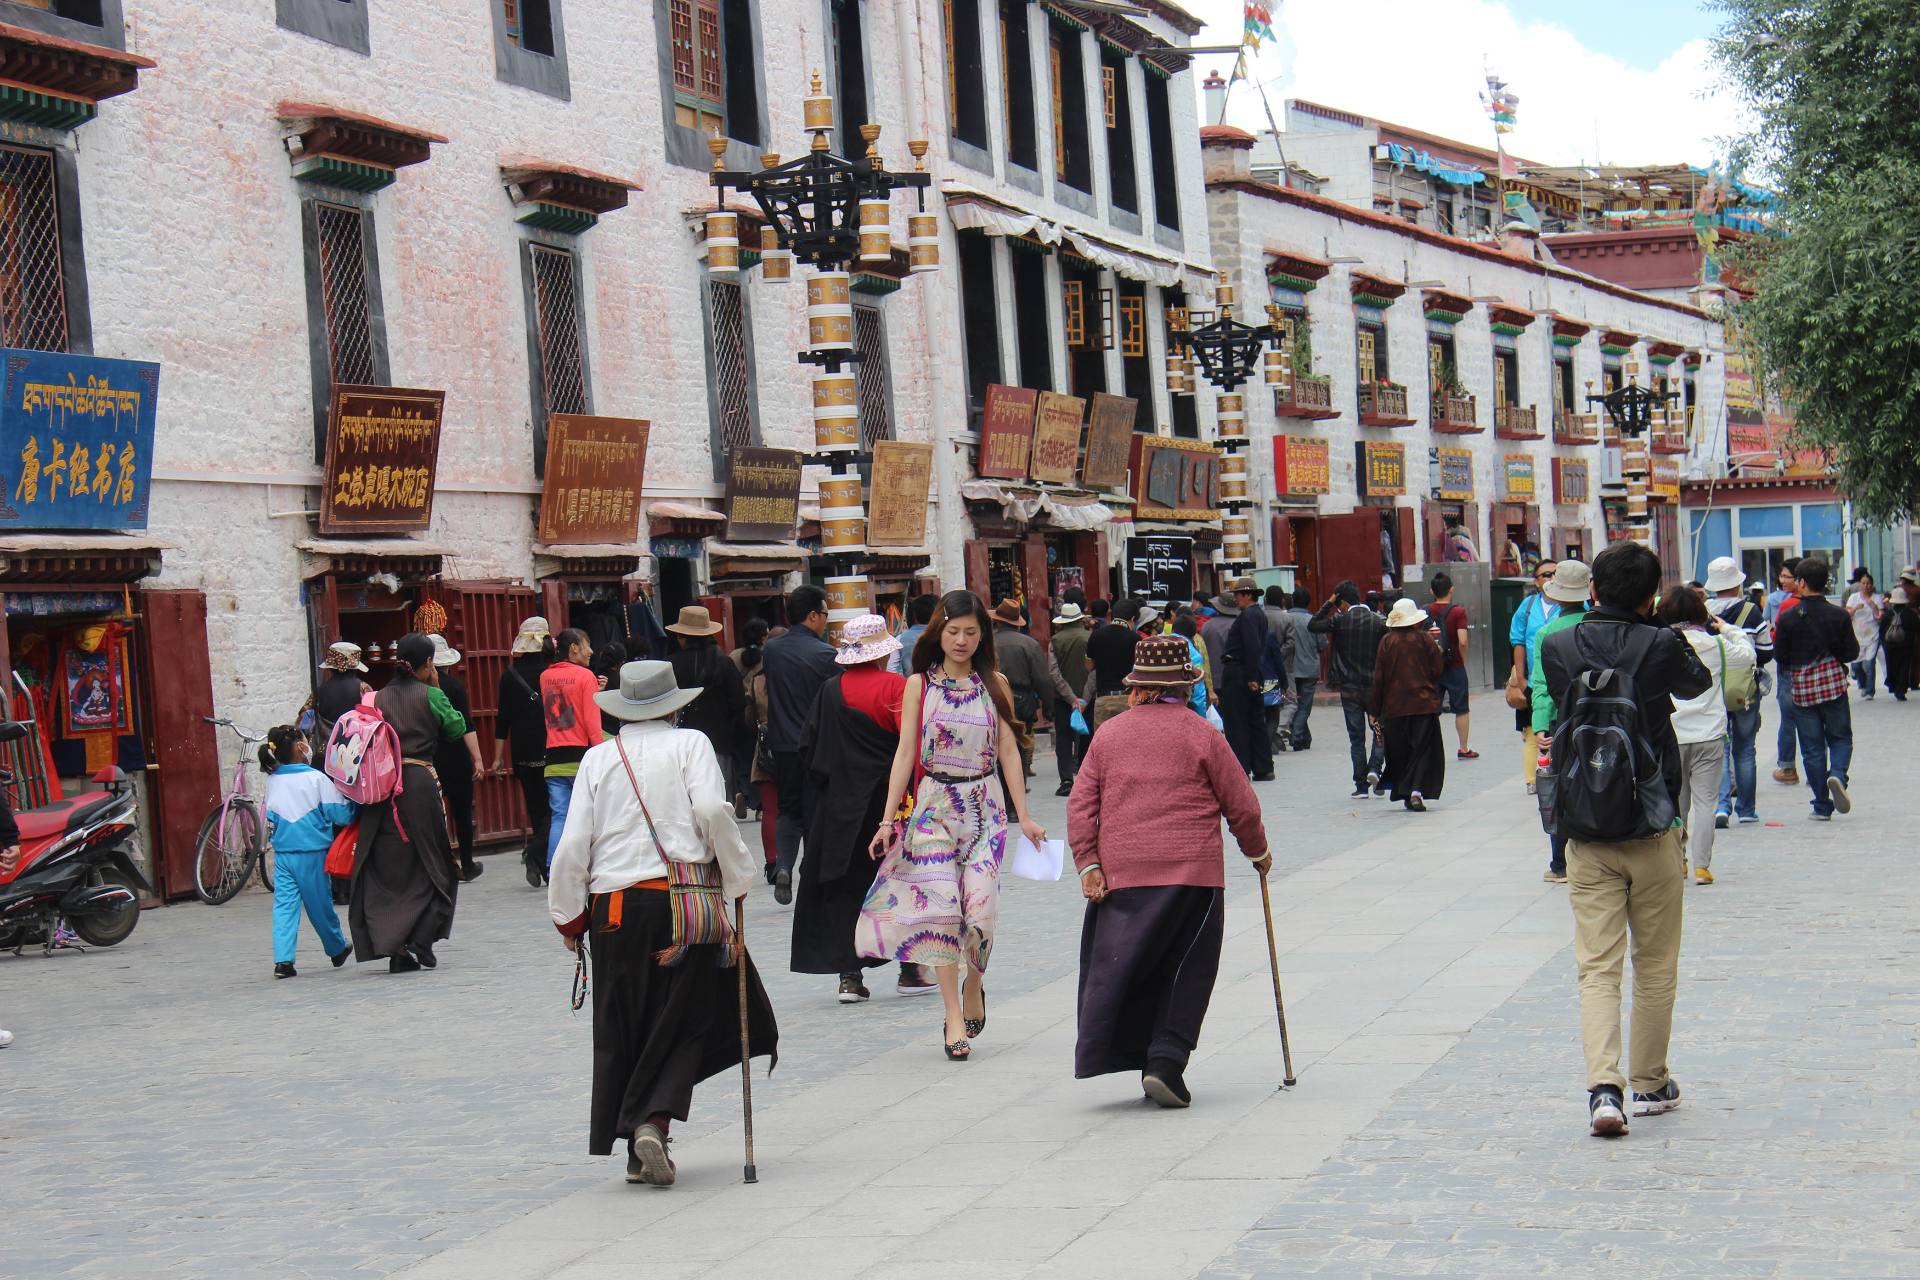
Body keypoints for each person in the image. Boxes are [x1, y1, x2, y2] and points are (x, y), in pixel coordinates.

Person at [546, 660, 777, 1187]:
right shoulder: (690, 744)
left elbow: (572, 844)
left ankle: (636, 1149)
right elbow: (714, 813)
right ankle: (652, 1122)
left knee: (622, 1025)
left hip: (613, 911)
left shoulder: (597, 759)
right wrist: (738, 877)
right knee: (682, 1018)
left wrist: (568, 916)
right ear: (674, 705)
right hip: (680, 906)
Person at [1539, 542, 1711, 1136]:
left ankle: (1603, 1092)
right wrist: (1660, 628)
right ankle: (1651, 1081)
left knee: (1597, 966)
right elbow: (1698, 685)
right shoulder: (1660, 642)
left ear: (1592, 590)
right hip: (1653, 819)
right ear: (1650, 596)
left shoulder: (1555, 644)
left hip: (1584, 824)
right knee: (1656, 961)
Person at [1068, 635, 1271, 1108]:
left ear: (1137, 687)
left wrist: (1088, 863)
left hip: (1123, 876)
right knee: (1188, 967)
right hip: (1192, 877)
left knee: (1131, 967)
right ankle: (1165, 1061)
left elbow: (1082, 804)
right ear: (1186, 684)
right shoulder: (1202, 734)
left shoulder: (1109, 734)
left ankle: (1139, 1056)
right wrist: (1257, 852)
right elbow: (1240, 803)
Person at [858, 590, 1045, 1061]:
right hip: (933, 808)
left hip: (985, 808)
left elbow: (1008, 751)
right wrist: (887, 819)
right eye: (953, 630)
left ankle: (975, 981)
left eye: (970, 631)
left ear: (983, 635)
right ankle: (953, 1018)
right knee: (941, 914)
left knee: (979, 914)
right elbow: (904, 754)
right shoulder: (919, 684)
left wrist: (1024, 815)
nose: (961, 640)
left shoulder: (994, 683)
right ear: (939, 632)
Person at [793, 615, 913, 1002]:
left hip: (838, 809)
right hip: (887, 804)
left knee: (846, 887)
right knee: (898, 881)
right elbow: (911, 748)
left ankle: (850, 976)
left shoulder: (829, 691)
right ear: (882, 654)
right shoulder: (896, 687)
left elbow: (808, 750)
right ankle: (911, 968)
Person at [349, 633, 469, 973]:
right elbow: (455, 729)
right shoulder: (432, 695)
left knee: (389, 868)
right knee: (436, 861)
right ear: (429, 663)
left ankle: (395, 946)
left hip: (379, 790)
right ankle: (419, 939)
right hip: (417, 785)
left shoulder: (373, 698)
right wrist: (437, 690)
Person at [1658, 587, 1753, 884]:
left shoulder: (1661, 645)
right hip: (1709, 734)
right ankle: (1702, 866)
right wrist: (1726, 627)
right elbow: (1749, 653)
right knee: (1706, 804)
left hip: (1673, 734)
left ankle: (1679, 861)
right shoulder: (1718, 646)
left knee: (1678, 803)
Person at [763, 585, 839, 906]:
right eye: (824, 614)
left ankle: (783, 866)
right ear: (812, 616)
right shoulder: (826, 656)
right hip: (817, 745)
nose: (825, 621)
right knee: (817, 810)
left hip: (781, 744)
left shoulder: (772, 650)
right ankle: (810, 872)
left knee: (789, 810)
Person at [258, 725, 353, 979]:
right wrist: (355, 805)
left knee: (284, 906)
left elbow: (270, 815)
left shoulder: (273, 781)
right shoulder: (316, 778)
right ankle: (335, 947)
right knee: (319, 904)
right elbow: (339, 813)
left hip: (284, 854)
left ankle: (283, 960)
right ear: (302, 748)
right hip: (312, 853)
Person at [1773, 556, 1857, 821]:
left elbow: (1780, 657)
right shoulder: (1839, 615)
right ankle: (1838, 774)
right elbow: (1851, 652)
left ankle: (1821, 805)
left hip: (1802, 689)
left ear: (1802, 583)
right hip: (1832, 685)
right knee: (1841, 738)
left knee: (1812, 748)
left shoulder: (1787, 618)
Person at [1527, 560, 1595, 883]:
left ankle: (1560, 863)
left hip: (1560, 720)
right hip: (1597, 714)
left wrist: (1540, 724)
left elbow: (1540, 683)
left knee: (1558, 784)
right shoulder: (1598, 625)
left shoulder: (1545, 633)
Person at [664, 606, 749, 817]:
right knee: (718, 801)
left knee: (684, 802)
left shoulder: (671, 664)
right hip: (718, 741)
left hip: (679, 742)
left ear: (682, 637)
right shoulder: (724, 663)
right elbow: (738, 703)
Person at [1704, 560, 1770, 827]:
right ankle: (1746, 809)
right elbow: (1766, 651)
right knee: (1745, 749)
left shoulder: (1703, 612)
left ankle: (1721, 807)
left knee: (1720, 748)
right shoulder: (1751, 611)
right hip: (1745, 690)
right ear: (1738, 583)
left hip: (1713, 689)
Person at [1310, 582, 1387, 798]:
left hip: (1349, 686)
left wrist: (1328, 604)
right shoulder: (1378, 620)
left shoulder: (1340, 620)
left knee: (1356, 737)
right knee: (1380, 730)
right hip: (1374, 686)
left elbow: (1313, 625)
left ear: (1342, 603)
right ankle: (1375, 768)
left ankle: (1361, 786)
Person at [494, 616, 554, 887]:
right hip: (551, 747)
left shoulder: (509, 675)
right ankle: (536, 853)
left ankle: (540, 862)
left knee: (536, 809)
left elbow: (502, 720)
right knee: (556, 810)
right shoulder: (553, 671)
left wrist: (496, 757)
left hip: (522, 751)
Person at [1370, 599, 1446, 811]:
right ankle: (1416, 791)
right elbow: (1437, 670)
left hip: (1395, 706)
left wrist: (1374, 709)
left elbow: (1379, 678)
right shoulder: (1425, 640)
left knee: (1401, 751)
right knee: (1422, 750)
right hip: (1423, 703)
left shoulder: (1387, 642)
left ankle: (1405, 789)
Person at [541, 629, 601, 876]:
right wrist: (601, 755)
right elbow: (591, 722)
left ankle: (553, 867)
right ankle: (585, 866)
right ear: (573, 648)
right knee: (590, 816)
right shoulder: (586, 676)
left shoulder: (545, 677)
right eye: (587, 645)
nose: (591, 651)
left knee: (560, 816)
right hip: (581, 758)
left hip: (554, 757)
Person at [429, 635, 487, 883]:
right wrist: (478, 758)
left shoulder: (418, 689)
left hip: (429, 755)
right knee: (462, 812)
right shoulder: (454, 687)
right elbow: (466, 725)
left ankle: (441, 863)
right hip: (456, 755)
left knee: (433, 813)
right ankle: (467, 862)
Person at [990, 597, 1060, 779]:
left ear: (997, 620)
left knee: (995, 740)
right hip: (1022, 699)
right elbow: (1042, 679)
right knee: (1021, 740)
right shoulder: (1029, 644)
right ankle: (1019, 779)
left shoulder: (987, 642)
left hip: (992, 695)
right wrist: (1048, 706)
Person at [1509, 561, 1560, 794]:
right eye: (1546, 574)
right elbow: (1517, 641)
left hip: (1562, 676)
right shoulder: (1528, 606)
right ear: (1537, 581)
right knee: (1532, 728)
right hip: (1534, 679)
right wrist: (1520, 678)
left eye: (1556, 574)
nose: (1551, 578)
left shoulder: (1572, 604)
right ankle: (1533, 778)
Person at [1217, 578, 1273, 780]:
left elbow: (1252, 645)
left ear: (1248, 595)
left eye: (1238, 595)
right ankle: (1263, 766)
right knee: (1256, 720)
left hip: (1240, 671)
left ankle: (1241, 766)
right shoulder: (1259, 615)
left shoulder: (1248, 615)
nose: (1235, 599)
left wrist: (1250, 676)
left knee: (1237, 721)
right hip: (1252, 670)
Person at [1427, 571, 1474, 759]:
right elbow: (1463, 641)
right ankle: (1463, 748)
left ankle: (1429, 748)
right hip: (1454, 665)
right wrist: (1462, 660)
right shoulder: (1458, 612)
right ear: (1452, 589)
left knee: (1430, 709)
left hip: (1431, 668)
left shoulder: (1424, 611)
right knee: (1461, 708)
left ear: (1432, 591)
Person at [1048, 601, 1092, 796]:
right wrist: (1083, 698)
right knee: (1086, 737)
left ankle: (1066, 780)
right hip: (1087, 699)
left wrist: (1070, 697)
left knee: (1064, 740)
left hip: (1063, 700)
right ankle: (1084, 777)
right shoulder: (1090, 638)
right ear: (1080, 619)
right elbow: (1094, 672)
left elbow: (1054, 673)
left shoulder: (1055, 641)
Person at [729, 617, 771, 816]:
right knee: (760, 759)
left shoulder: (734, 656)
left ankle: (743, 794)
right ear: (764, 637)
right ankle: (761, 806)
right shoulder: (767, 656)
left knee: (742, 759)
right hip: (760, 714)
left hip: (739, 714)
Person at [1084, 597, 1141, 734]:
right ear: (1132, 619)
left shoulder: (1096, 636)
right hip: (1128, 700)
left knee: (1103, 745)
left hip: (1103, 699)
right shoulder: (1136, 639)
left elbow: (1089, 667)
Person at [1769, 559, 1802, 783]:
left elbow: (1776, 640)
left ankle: (1788, 768)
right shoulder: (1827, 607)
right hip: (1814, 670)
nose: (1783, 580)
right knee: (1815, 720)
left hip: (1789, 668)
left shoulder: (1788, 606)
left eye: (1787, 576)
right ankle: (1818, 770)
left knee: (1789, 719)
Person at [311, 641, 369, 750]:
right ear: (355, 667)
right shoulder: (363, 688)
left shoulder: (319, 691)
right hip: (356, 751)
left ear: (330, 667)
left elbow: (305, 718)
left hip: (327, 751)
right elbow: (374, 717)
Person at [1261, 586, 1297, 755]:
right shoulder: (1286, 618)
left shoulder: (1258, 615)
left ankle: (1269, 739)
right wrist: (1276, 657)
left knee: (1263, 706)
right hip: (1279, 671)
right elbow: (1290, 643)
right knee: (1283, 704)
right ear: (1282, 600)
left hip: (1260, 670)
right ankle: (1273, 736)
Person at [1844, 569, 1883, 699]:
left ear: (1872, 585)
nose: (1866, 586)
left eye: (1868, 583)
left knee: (1869, 664)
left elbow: (1879, 618)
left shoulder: (1877, 598)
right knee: (1856, 665)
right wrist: (1855, 608)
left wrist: (1873, 606)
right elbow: (1847, 615)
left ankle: (1870, 690)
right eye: (1863, 583)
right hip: (1857, 635)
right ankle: (1863, 684)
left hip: (1872, 635)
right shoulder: (1853, 598)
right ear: (1860, 584)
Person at [1879, 578, 1918, 700]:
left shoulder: (1888, 614)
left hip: (1891, 646)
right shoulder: (1910, 614)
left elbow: (1882, 630)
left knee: (1892, 666)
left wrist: (1884, 643)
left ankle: (1894, 687)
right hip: (1906, 645)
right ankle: (1901, 690)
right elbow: (1917, 627)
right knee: (1904, 667)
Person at [890, 593, 937, 677]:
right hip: (941, 687)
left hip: (911, 686)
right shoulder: (944, 635)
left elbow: (891, 668)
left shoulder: (900, 639)